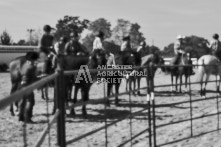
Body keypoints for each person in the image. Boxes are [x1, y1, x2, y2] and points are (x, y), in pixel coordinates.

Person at [18, 52, 39, 123]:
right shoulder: (32, 67)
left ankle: (20, 117)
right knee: (31, 101)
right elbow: (34, 78)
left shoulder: (24, 65)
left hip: (22, 84)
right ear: (33, 59)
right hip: (28, 85)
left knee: (23, 101)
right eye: (35, 59)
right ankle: (27, 117)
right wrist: (42, 78)